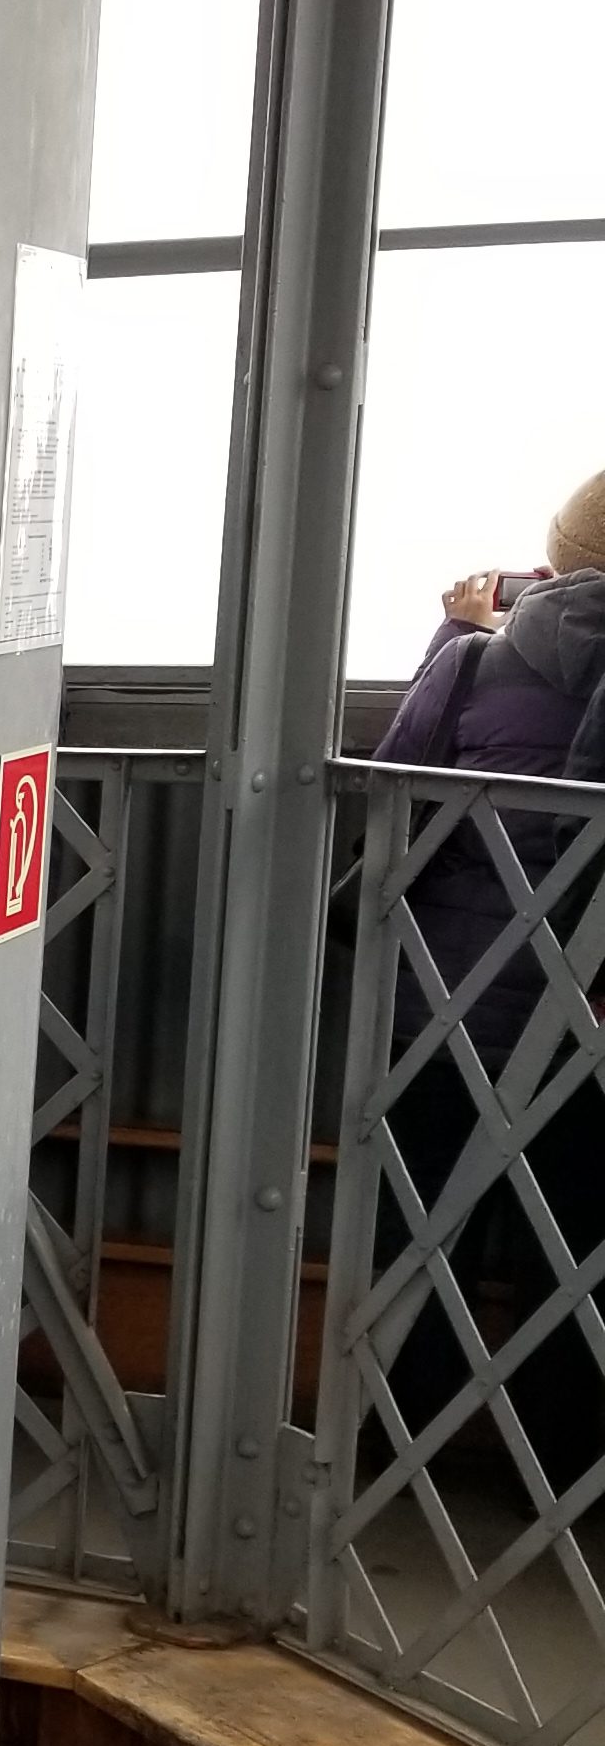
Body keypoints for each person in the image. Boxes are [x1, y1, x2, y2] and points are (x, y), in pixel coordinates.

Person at [367, 466, 605, 1494]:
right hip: (586, 1018)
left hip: (449, 1003)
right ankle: (559, 1476)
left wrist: (453, 637)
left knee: (423, 1232)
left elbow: (396, 794)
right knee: (575, 1251)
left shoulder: (474, 665)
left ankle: (393, 1453)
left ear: (549, 564)